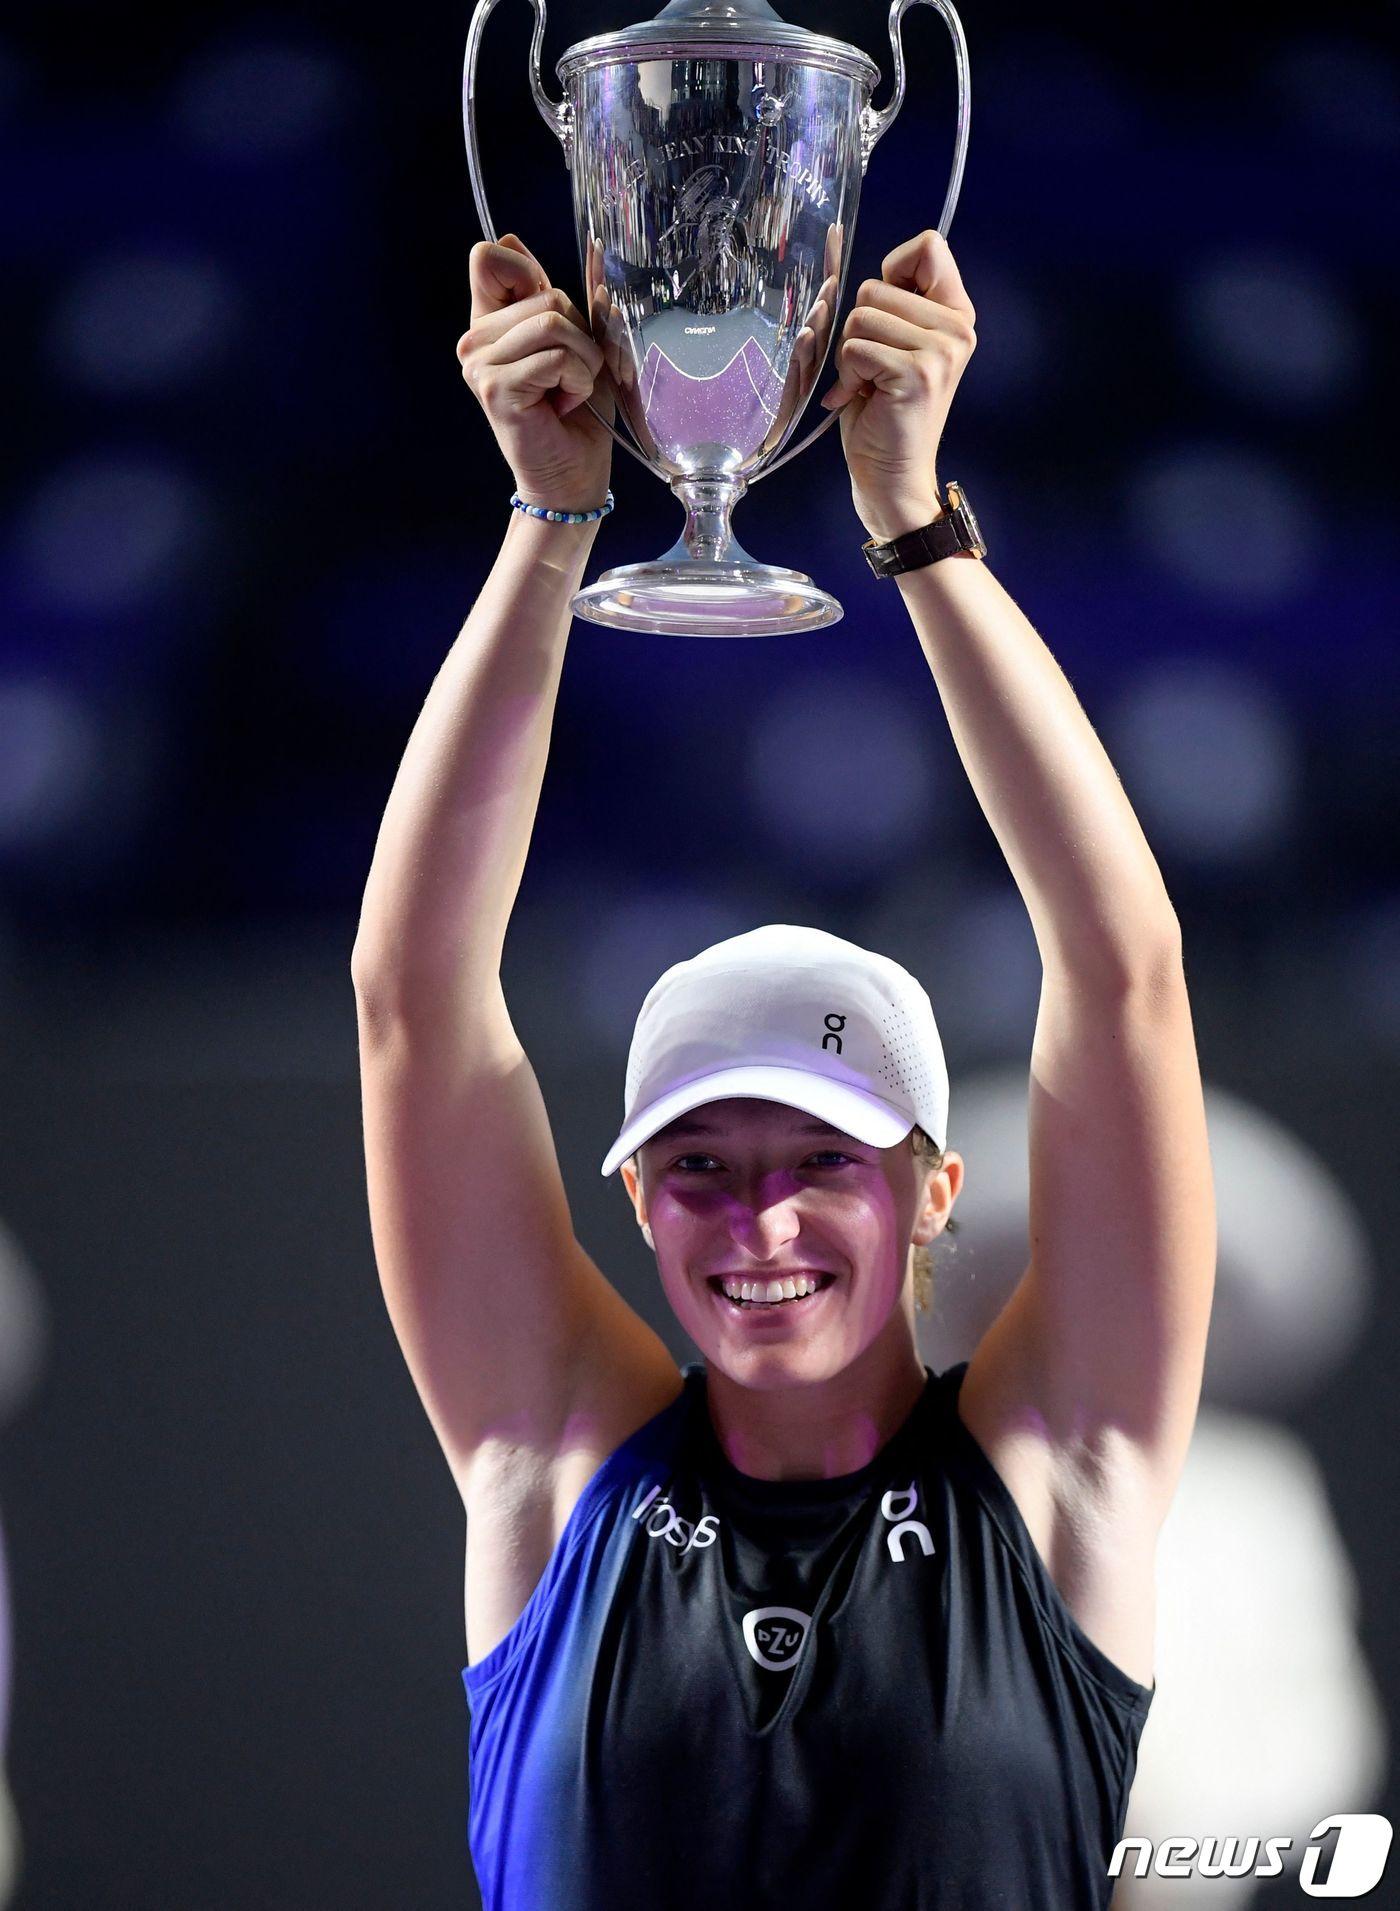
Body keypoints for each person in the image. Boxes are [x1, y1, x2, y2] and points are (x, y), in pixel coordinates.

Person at [351, 230, 1216, 1910]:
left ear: (934, 1188)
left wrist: (917, 524)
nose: (759, 1223)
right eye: (703, 1167)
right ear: (634, 1195)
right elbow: (414, 995)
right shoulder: (555, 1469)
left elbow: (1126, 981)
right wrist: (550, 523)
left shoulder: (1062, 1471)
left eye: (825, 1160)